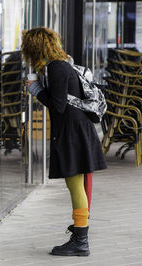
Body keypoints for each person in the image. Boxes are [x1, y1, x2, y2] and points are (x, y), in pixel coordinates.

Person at [22, 27, 107, 256]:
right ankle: (80, 234)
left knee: (75, 185)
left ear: (35, 48)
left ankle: (81, 240)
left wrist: (36, 90)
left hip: (73, 132)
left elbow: (58, 105)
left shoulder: (57, 67)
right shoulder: (59, 65)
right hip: (74, 130)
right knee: (74, 184)